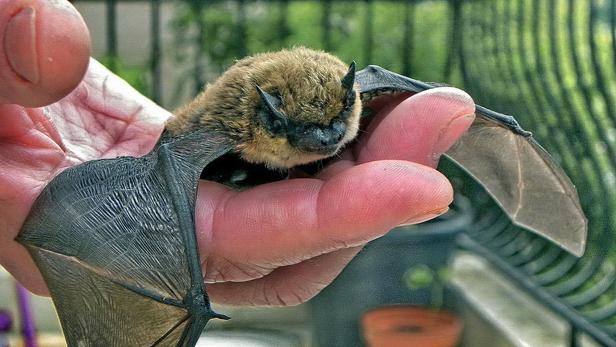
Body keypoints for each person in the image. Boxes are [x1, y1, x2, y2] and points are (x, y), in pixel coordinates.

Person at [0, 0, 475, 306]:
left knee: (435, 116)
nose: (326, 139)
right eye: (304, 132)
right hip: (214, 148)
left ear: (352, 97)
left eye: (335, 124)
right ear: (266, 118)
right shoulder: (231, 125)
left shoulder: (351, 92)